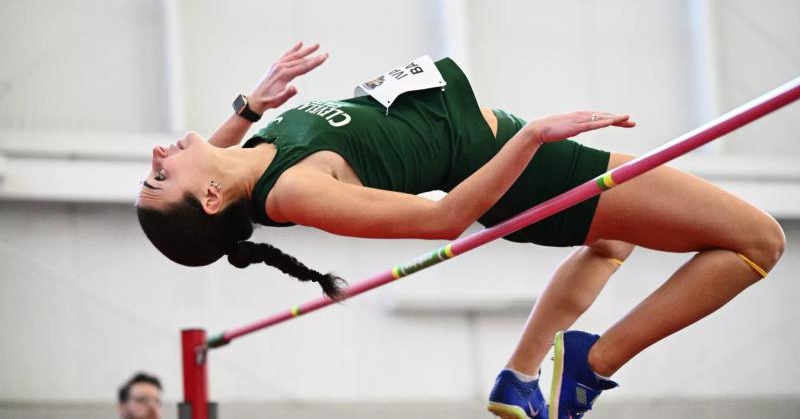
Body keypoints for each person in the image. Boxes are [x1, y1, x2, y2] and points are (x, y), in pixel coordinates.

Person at [136, 42, 785, 418]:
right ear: (213, 196)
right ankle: (594, 363)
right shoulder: (296, 188)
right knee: (759, 241)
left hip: (519, 164)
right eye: (159, 178)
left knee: (613, 241)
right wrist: (532, 137)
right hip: (534, 173)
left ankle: (522, 378)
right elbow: (442, 221)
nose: (159, 159)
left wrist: (252, 102)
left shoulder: (254, 154)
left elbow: (215, 164)